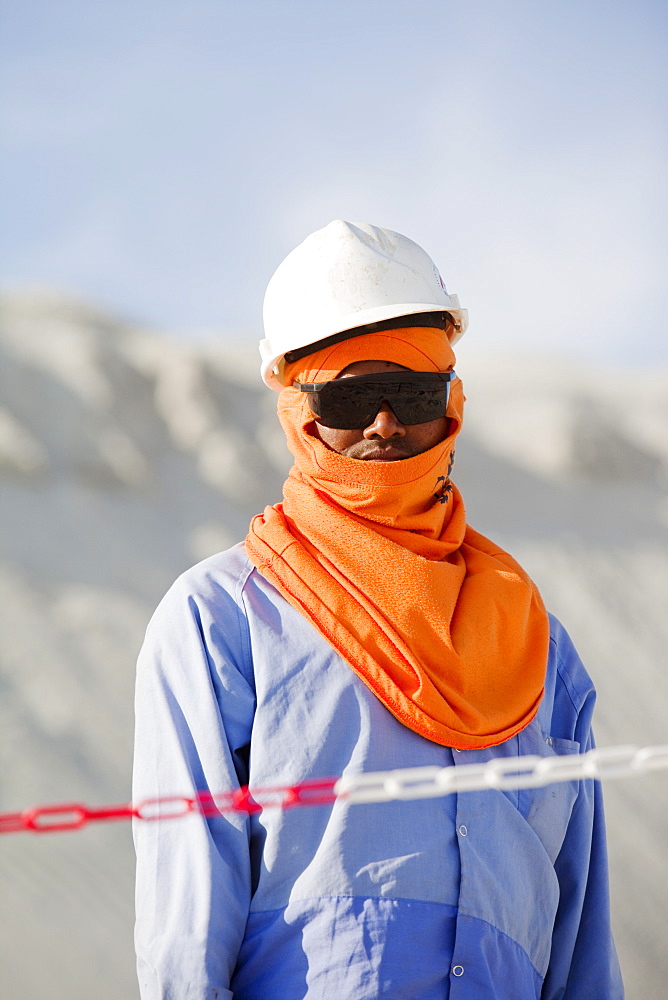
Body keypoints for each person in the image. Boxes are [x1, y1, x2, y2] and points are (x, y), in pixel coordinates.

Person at [133, 221, 624, 999]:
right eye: (350, 397)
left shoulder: (540, 648)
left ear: (452, 404)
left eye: (414, 393)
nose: (384, 425)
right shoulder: (221, 619)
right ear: (301, 411)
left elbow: (581, 946)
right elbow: (186, 922)